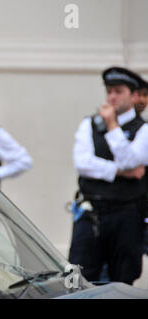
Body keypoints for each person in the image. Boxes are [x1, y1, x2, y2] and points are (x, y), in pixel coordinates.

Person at [69, 66, 148, 285]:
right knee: (79, 278)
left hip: (127, 216)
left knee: (122, 280)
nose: (112, 97)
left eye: (118, 91)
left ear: (133, 96)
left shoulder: (144, 130)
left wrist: (112, 125)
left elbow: (131, 160)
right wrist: (120, 171)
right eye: (109, 91)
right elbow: (83, 164)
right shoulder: (89, 124)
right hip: (92, 213)